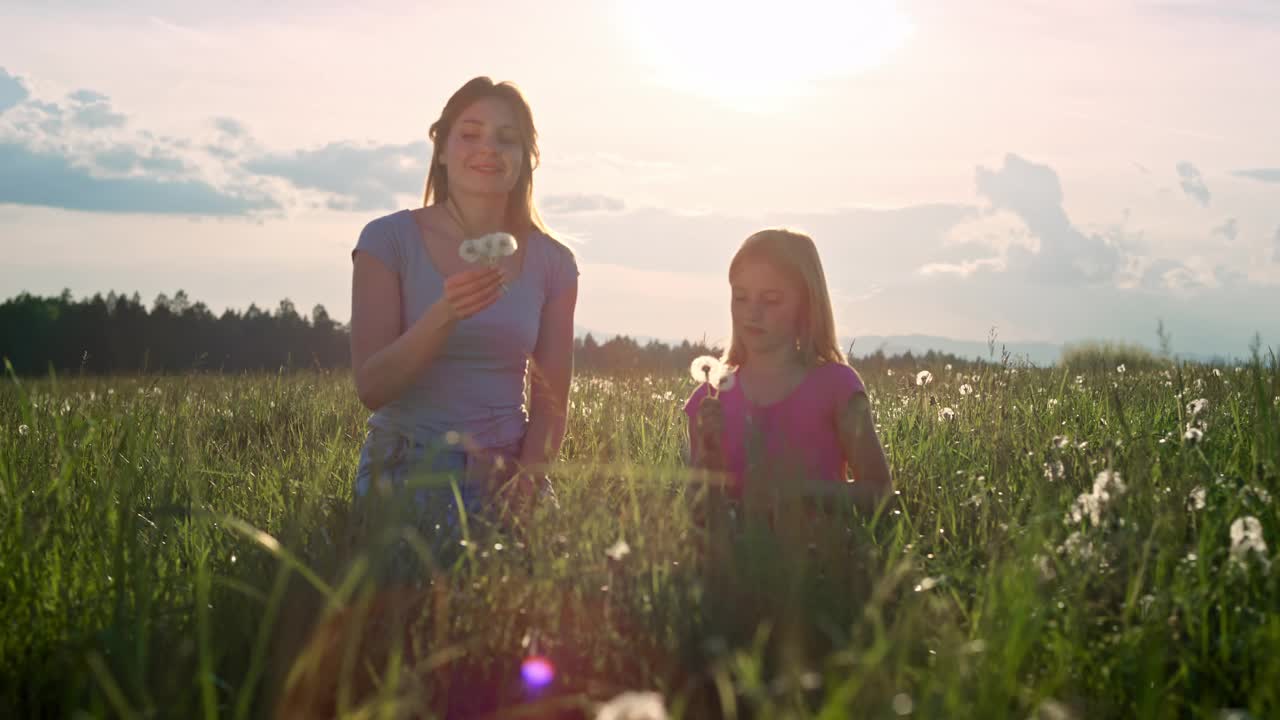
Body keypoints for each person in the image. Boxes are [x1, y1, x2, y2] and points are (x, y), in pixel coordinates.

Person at [349, 76, 578, 546]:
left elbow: (552, 404)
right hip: (408, 464)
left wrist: (526, 484)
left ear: (526, 159)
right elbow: (372, 387)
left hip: (509, 466)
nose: (488, 149)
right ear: (442, 149)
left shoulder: (554, 263)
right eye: (470, 134)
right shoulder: (387, 241)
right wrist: (443, 314)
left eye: (506, 138)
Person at [683, 228, 891, 513]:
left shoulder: (837, 388)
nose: (752, 313)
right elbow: (696, 510)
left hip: (821, 554)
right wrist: (705, 462)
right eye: (741, 297)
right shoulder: (709, 399)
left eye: (770, 300)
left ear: (806, 305)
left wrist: (800, 492)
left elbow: (879, 492)